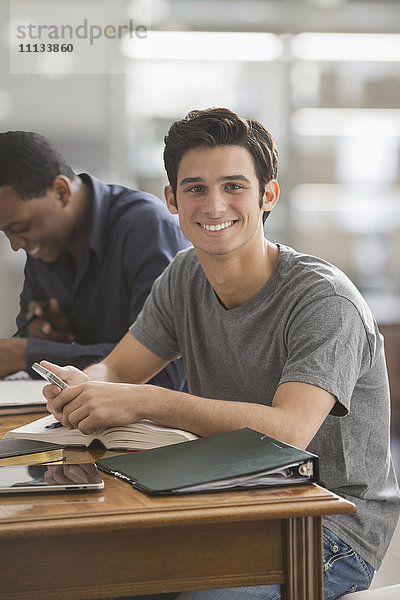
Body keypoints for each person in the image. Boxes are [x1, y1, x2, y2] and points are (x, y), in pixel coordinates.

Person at [43, 108, 400, 600]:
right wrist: (87, 384)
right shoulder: (185, 275)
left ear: (267, 194)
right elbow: (122, 367)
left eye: (234, 186)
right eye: (195, 188)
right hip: (228, 496)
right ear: (172, 199)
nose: (214, 205)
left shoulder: (323, 301)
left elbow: (289, 431)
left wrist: (145, 401)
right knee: (84, 569)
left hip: (327, 524)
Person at [0, 130, 190, 390]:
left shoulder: (145, 228)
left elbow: (165, 371)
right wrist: (43, 343)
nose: (15, 244)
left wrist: (30, 354)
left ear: (61, 191)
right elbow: (30, 351)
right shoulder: (43, 242)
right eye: (5, 232)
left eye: (20, 227)